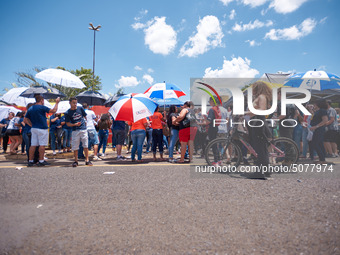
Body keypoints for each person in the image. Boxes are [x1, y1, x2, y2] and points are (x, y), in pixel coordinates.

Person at [244, 81, 273, 179]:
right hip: (256, 122)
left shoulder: (261, 97)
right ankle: (266, 171)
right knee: (262, 149)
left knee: (260, 149)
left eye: (253, 88)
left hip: (258, 123)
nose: (252, 90)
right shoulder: (261, 97)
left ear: (257, 88)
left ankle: (259, 173)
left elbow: (262, 109)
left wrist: (246, 112)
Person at [25, 95, 60, 167]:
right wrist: (57, 102)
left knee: (33, 145)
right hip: (42, 128)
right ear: (41, 100)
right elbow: (53, 111)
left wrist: (31, 125)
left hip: (34, 128)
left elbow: (25, 119)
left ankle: (30, 161)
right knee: (42, 145)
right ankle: (41, 160)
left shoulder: (31, 108)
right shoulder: (42, 107)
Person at [65, 98, 92, 167]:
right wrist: (75, 124)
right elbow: (68, 123)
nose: (75, 104)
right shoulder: (67, 113)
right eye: (73, 103)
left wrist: (85, 123)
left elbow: (85, 116)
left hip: (83, 129)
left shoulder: (80, 108)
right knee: (75, 146)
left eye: (76, 103)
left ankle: (87, 160)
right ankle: (76, 161)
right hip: (75, 130)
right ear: (70, 103)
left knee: (85, 145)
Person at [309, 99, 329, 164]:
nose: (314, 105)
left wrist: (316, 126)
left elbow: (325, 120)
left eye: (315, 104)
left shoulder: (322, 110)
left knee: (315, 144)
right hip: (317, 129)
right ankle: (322, 159)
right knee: (319, 144)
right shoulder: (319, 111)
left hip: (319, 129)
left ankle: (322, 159)